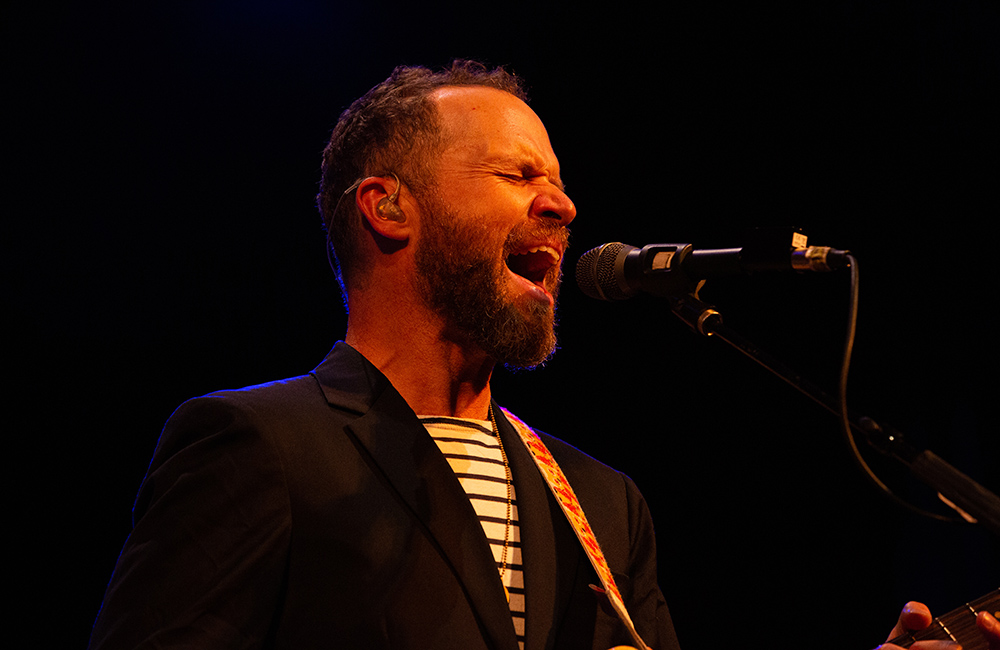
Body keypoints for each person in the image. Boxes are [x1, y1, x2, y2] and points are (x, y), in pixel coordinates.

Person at [89, 61, 998, 650]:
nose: (562, 207)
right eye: (519, 175)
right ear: (388, 207)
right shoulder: (260, 444)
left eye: (559, 183)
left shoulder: (604, 502)